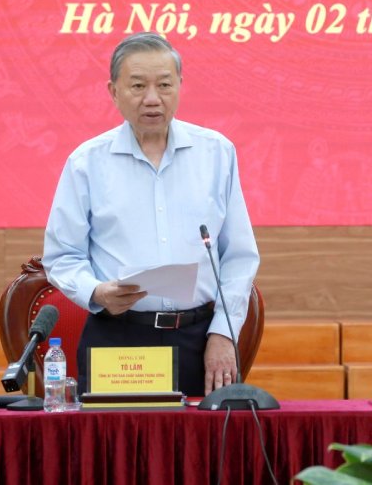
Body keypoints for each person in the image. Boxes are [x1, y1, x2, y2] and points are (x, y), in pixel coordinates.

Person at [42, 32, 260, 397]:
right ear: (113, 91)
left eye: (164, 84)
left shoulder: (216, 153)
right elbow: (62, 256)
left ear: (180, 86)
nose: (153, 99)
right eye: (138, 86)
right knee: (114, 452)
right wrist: (96, 291)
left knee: (199, 453)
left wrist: (223, 332)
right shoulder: (87, 163)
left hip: (199, 338)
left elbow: (238, 257)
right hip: (119, 338)